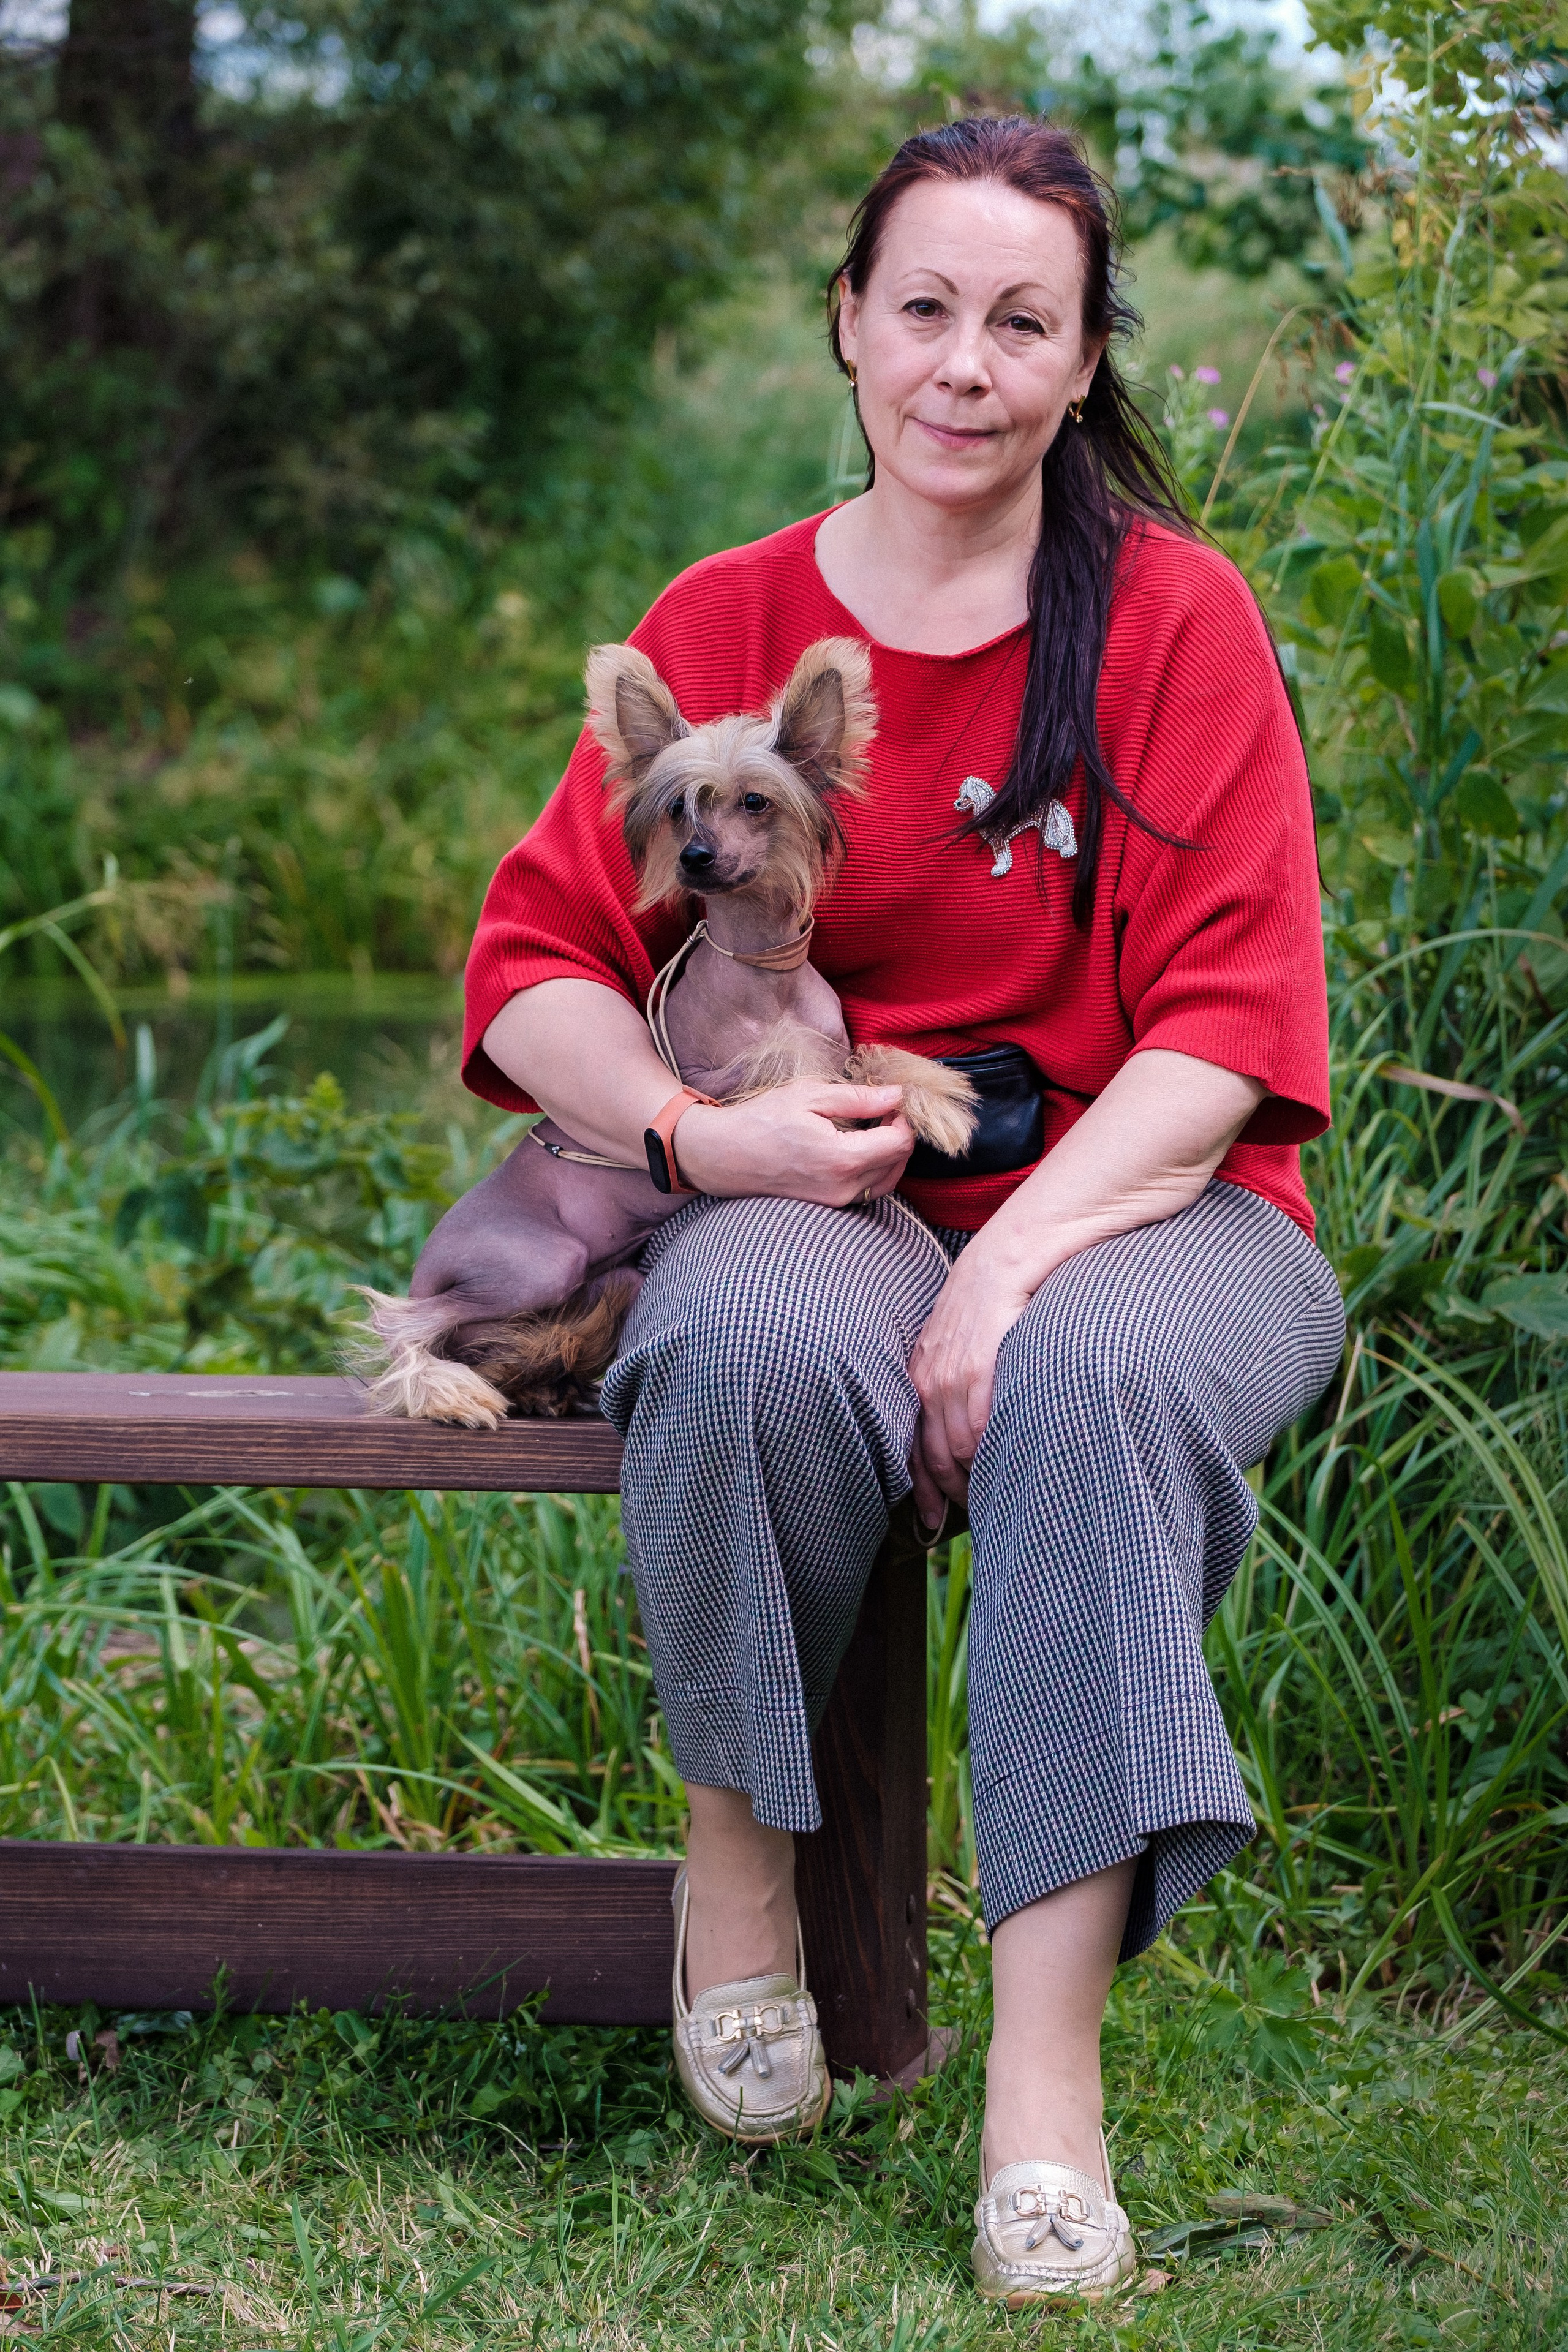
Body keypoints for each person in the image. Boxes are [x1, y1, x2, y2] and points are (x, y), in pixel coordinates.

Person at [461, 115, 1344, 2307]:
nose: (966, 361)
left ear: (1078, 357)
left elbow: (1229, 1032)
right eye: (923, 309)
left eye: (1020, 321)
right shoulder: (731, 620)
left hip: (1163, 1204)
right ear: (850, 327)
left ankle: (1045, 2095)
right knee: (742, 1326)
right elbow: (539, 971)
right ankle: (741, 1869)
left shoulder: (1171, 620)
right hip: (811, 1180)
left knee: (1097, 1384)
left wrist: (1013, 1274)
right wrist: (697, 1141)